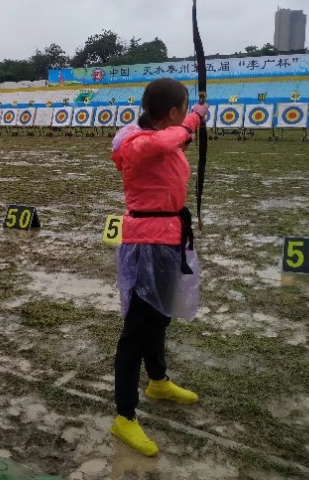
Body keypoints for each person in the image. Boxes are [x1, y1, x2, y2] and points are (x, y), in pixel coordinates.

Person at [109, 78, 209, 456]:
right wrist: (193, 121)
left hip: (169, 238)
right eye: (183, 108)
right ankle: (124, 415)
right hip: (146, 245)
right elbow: (162, 143)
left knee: (159, 316)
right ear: (172, 112)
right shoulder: (135, 141)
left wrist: (188, 126)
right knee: (136, 331)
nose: (185, 115)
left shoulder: (160, 135)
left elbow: (171, 142)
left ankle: (158, 380)